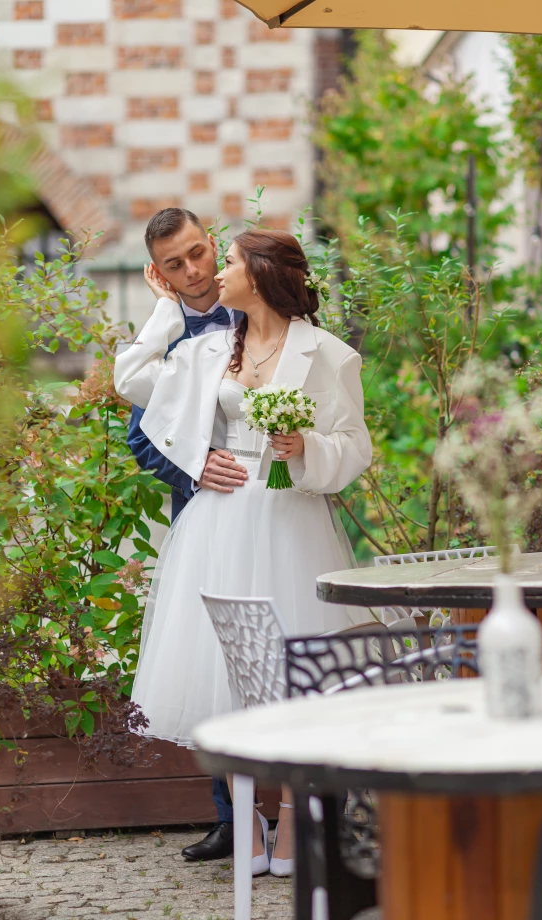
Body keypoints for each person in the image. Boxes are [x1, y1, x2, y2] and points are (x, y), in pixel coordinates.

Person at [115, 228, 372, 877]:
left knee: (290, 677)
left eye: (223, 260)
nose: (213, 272)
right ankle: (245, 825)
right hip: (219, 525)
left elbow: (354, 445)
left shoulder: (329, 354)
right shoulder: (207, 349)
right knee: (222, 670)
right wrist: (196, 458)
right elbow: (136, 385)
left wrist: (306, 449)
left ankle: (289, 822)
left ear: (255, 275)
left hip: (291, 521)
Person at [128, 207, 249, 864]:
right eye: (175, 264)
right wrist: (195, 465)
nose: (194, 271)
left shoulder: (255, 308)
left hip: (273, 507)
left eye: (199, 253)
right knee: (208, 660)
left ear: (212, 244)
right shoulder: (166, 337)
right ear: (160, 273)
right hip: (204, 514)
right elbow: (139, 435)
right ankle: (230, 816)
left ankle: (290, 815)